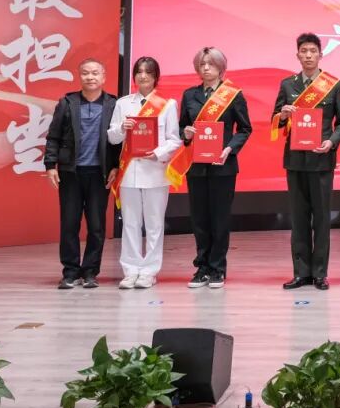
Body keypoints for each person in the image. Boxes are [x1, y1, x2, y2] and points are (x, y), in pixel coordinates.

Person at [168, 47, 252, 290]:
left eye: (211, 64)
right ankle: (202, 267)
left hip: (223, 166)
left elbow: (245, 129)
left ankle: (217, 268)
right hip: (196, 166)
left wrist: (230, 148)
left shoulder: (233, 95)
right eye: (202, 64)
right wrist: (185, 133)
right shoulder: (189, 95)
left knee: (220, 218)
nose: (206, 68)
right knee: (199, 219)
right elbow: (182, 127)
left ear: (220, 67)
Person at [271, 33, 340, 291]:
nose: (308, 55)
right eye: (303, 51)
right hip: (295, 161)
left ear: (320, 54)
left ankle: (320, 273)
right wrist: (283, 115)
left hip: (321, 159)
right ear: (297, 55)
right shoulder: (287, 85)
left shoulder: (334, 85)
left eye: (312, 51)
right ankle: (301, 272)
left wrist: (332, 142)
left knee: (322, 219)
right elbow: (275, 121)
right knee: (299, 218)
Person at [106, 56, 182, 289]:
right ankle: (130, 270)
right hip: (129, 171)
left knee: (154, 224)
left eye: (148, 72)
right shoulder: (123, 103)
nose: (143, 76)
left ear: (155, 76)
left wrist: (157, 153)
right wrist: (122, 128)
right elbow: (112, 137)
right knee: (130, 223)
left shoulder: (167, 104)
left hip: (155, 171)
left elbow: (174, 139)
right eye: (139, 71)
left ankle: (149, 271)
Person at [44, 58, 120, 289]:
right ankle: (70, 272)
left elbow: (119, 140)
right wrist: (50, 165)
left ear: (103, 77)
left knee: (96, 226)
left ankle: (90, 272)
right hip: (71, 173)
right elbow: (53, 136)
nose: (90, 77)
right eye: (86, 73)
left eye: (95, 73)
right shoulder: (67, 103)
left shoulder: (113, 104)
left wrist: (116, 166)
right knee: (69, 224)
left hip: (100, 174)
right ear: (80, 77)